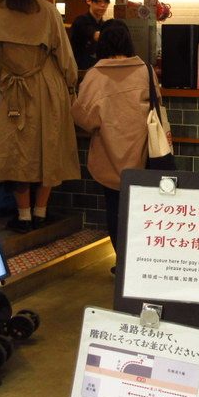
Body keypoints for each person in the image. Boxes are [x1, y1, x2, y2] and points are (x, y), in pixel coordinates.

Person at [0, 0, 80, 233]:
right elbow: (65, 56)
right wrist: (71, 84)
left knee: (15, 150)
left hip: (9, 87)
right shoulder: (47, 10)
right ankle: (41, 211)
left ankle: (23, 215)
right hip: (44, 86)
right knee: (47, 147)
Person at [71, 20, 151, 257]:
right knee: (141, 210)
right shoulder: (145, 71)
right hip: (142, 154)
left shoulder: (95, 75)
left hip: (108, 155)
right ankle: (138, 262)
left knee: (115, 208)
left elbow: (84, 118)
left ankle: (122, 261)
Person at [68, 0, 112, 70]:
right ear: (88, 0)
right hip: (80, 72)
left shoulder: (104, 25)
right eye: (99, 1)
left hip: (99, 71)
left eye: (106, 2)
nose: (103, 5)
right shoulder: (80, 21)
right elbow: (95, 35)